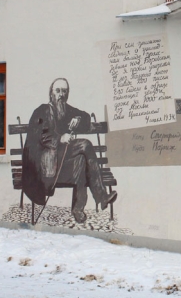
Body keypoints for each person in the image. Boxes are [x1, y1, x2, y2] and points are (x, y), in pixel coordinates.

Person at [22, 78, 117, 223]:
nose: (61, 94)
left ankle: (78, 208)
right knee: (85, 145)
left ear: (67, 94)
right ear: (51, 93)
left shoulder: (66, 110)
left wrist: (78, 119)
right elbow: (39, 135)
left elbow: (85, 117)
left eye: (64, 91)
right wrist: (60, 138)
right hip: (45, 167)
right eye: (58, 90)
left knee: (80, 160)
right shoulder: (42, 111)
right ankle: (101, 196)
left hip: (61, 162)